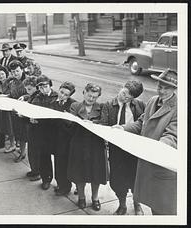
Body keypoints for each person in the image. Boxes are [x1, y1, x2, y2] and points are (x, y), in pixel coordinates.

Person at [113, 69, 177, 215]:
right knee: (153, 204)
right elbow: (141, 122)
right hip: (147, 162)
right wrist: (122, 128)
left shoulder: (178, 107)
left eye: (166, 88)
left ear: (174, 89)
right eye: (159, 86)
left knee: (164, 208)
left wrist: (155, 148)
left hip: (162, 163)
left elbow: (173, 136)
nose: (161, 91)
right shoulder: (153, 101)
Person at [100, 81, 146, 215]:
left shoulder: (140, 105)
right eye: (124, 93)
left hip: (134, 149)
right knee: (118, 179)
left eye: (128, 97)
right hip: (116, 149)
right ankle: (122, 205)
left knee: (135, 178)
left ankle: (137, 204)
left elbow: (144, 124)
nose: (124, 97)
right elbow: (103, 125)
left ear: (133, 98)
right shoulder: (108, 105)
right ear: (122, 88)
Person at [67, 83, 107, 210]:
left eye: (94, 97)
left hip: (96, 145)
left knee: (96, 173)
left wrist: (92, 123)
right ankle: (82, 197)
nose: (91, 99)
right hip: (79, 143)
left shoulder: (102, 107)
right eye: (89, 95)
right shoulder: (75, 106)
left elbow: (105, 123)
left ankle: (95, 198)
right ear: (83, 92)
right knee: (80, 172)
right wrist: (76, 122)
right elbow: (69, 125)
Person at [31, 75, 58, 190]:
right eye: (40, 88)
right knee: (43, 157)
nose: (43, 90)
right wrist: (30, 118)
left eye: (46, 86)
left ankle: (61, 182)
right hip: (41, 132)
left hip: (55, 132)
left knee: (59, 159)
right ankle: (46, 179)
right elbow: (29, 109)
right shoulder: (36, 98)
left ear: (50, 85)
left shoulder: (57, 97)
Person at [51, 82, 77, 196]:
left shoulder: (73, 105)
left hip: (67, 139)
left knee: (65, 164)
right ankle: (61, 183)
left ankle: (66, 187)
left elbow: (74, 124)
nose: (62, 96)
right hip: (55, 138)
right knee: (58, 163)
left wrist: (67, 119)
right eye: (61, 92)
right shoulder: (53, 102)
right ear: (59, 89)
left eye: (66, 95)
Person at [4, 60, 27, 157]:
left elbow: (34, 93)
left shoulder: (27, 81)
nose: (15, 74)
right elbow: (12, 93)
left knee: (22, 134)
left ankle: (23, 153)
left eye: (17, 71)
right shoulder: (12, 82)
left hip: (24, 112)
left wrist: (25, 97)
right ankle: (19, 148)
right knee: (16, 130)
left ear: (22, 69)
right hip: (14, 110)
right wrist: (6, 96)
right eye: (13, 72)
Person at [20, 76, 41, 181]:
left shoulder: (37, 98)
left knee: (35, 152)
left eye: (29, 89)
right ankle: (34, 170)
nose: (28, 92)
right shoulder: (33, 96)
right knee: (32, 152)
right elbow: (29, 97)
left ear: (36, 87)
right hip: (32, 129)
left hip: (36, 130)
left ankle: (37, 172)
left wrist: (23, 114)